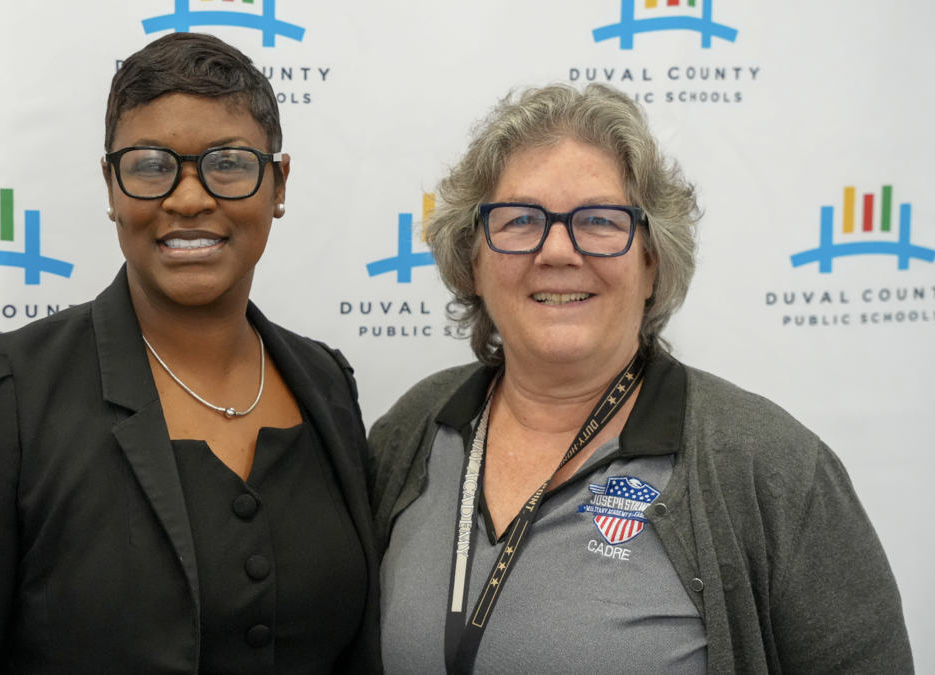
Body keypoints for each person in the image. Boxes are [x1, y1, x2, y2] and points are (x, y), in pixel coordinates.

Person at [369, 83, 913, 674]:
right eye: (521, 219)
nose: (557, 250)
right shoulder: (417, 427)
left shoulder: (771, 468)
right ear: (473, 258)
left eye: (600, 220)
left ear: (652, 261)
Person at [0, 33, 380, 674]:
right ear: (111, 185)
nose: (189, 198)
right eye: (152, 165)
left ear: (278, 183)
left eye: (230, 163)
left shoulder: (326, 384)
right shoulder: (1, 394)